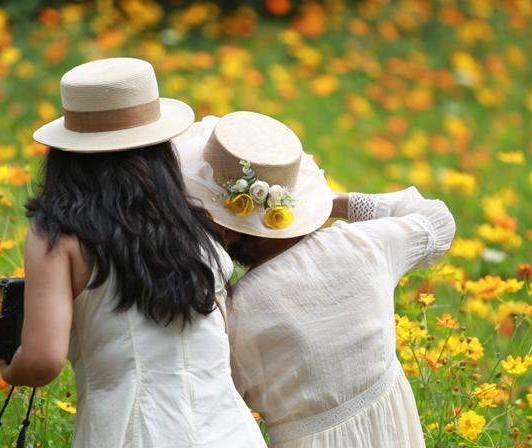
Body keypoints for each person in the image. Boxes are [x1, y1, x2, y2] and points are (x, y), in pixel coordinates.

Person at [0, 58, 266, 448]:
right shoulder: (195, 222)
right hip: (227, 430)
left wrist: (7, 361)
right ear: (161, 147)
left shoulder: (58, 232)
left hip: (131, 430)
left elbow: (42, 359)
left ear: (67, 150)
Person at [174, 111, 455, 447]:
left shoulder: (234, 314)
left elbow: (214, 403)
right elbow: (438, 221)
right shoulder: (364, 246)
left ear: (226, 233)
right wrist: (331, 203)